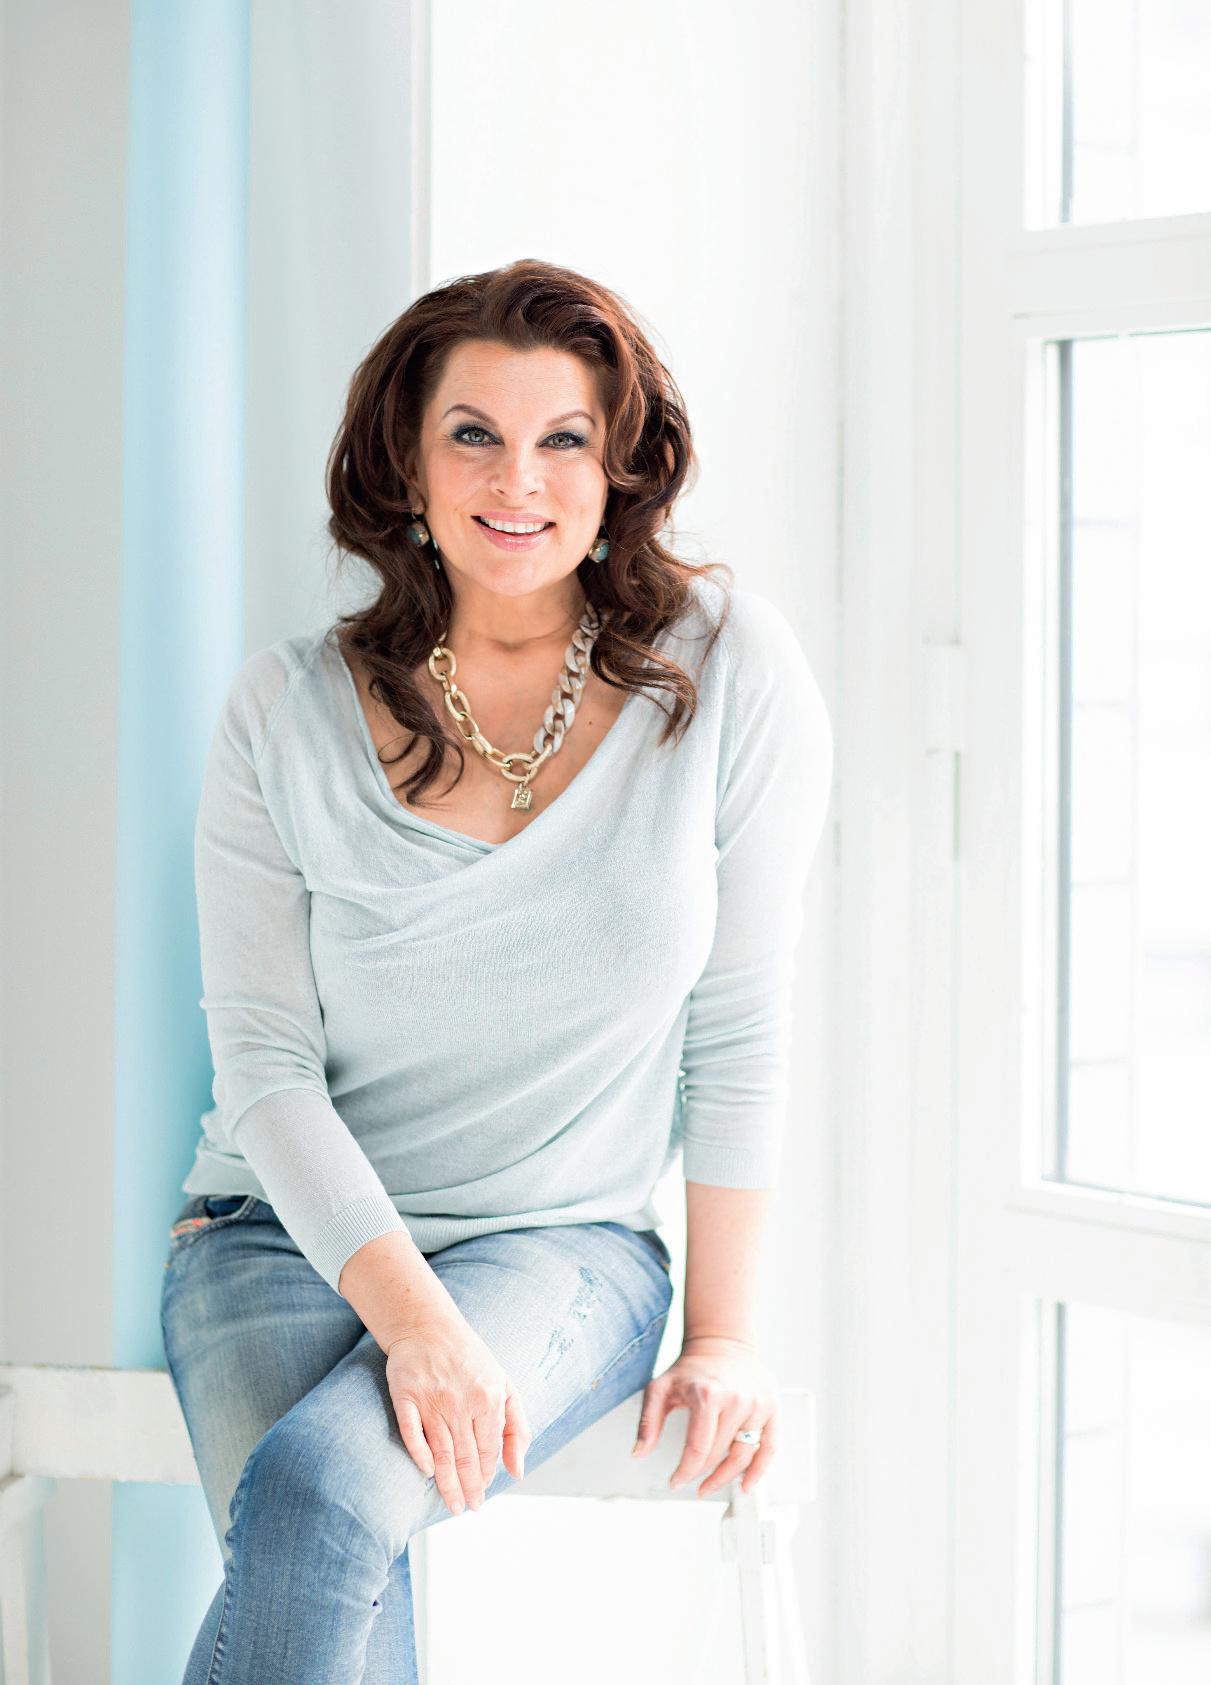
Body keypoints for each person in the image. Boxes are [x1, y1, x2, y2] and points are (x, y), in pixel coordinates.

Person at [159, 256, 834, 1683]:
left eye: (563, 438)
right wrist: (419, 1324)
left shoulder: (730, 674)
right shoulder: (283, 710)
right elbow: (264, 1066)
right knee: (330, 1550)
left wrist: (723, 1335)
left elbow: (740, 1028)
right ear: (405, 461)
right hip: (280, 1229)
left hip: (562, 1241)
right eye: (473, 432)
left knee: (323, 1489)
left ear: (620, 465)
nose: (517, 479)